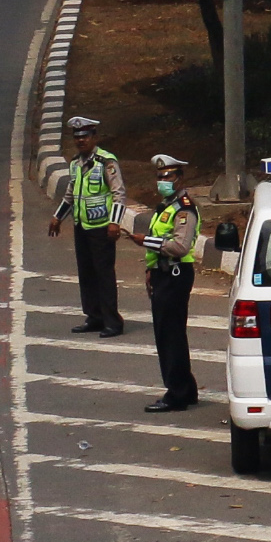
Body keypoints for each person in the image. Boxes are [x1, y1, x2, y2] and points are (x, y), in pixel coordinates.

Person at [128, 156, 202, 412]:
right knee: (168, 333)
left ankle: (177, 394)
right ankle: (186, 388)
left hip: (176, 274)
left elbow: (180, 246)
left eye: (168, 177)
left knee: (170, 335)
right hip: (163, 274)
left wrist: (146, 241)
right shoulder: (166, 206)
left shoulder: (183, 208)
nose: (162, 182)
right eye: (160, 177)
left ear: (180, 179)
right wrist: (151, 269)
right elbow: (161, 242)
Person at [49, 116, 126, 337]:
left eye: (85, 137)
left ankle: (113, 322)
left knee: (104, 275)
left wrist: (114, 222)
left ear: (94, 137)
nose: (81, 141)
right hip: (82, 226)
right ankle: (94, 317)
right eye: (77, 137)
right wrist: (57, 217)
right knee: (86, 274)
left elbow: (119, 194)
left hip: (102, 228)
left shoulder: (106, 162)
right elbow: (71, 194)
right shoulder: (75, 163)